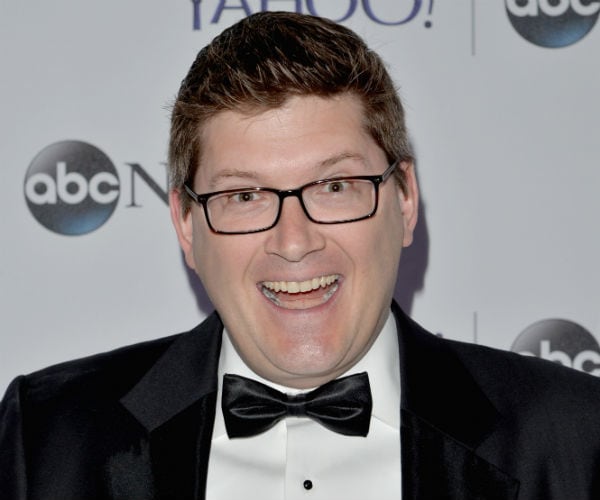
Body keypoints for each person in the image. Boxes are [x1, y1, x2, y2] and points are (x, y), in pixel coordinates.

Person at [1, 11, 600, 500]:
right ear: (185, 223)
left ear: (405, 199)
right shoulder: (49, 437)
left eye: (334, 186)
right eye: (244, 196)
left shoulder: (575, 436)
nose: (294, 241)